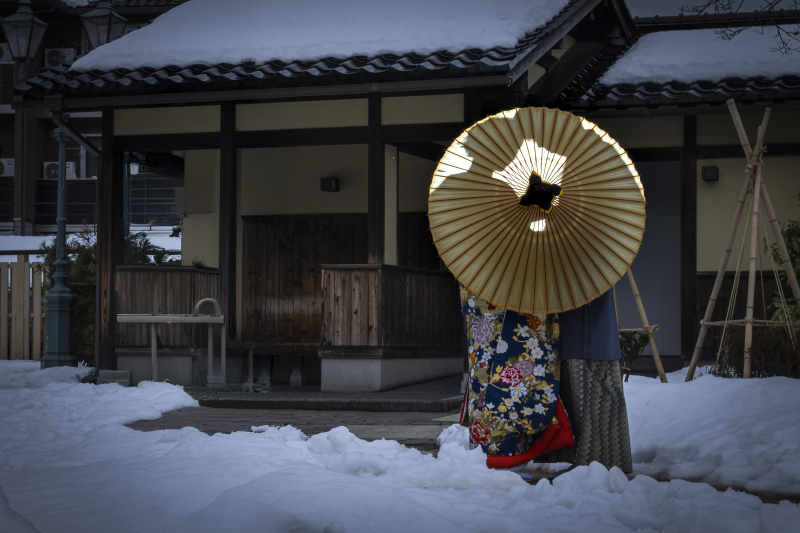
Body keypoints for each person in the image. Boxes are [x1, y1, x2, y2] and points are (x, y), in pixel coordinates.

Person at [458, 285, 573, 471]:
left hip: (509, 294)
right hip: (499, 295)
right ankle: (492, 454)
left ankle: (508, 453)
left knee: (509, 381)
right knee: (485, 374)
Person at [539, 290, 633, 473]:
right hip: (573, 316)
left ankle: (594, 461)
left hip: (587, 316)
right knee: (578, 393)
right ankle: (591, 459)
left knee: (590, 394)